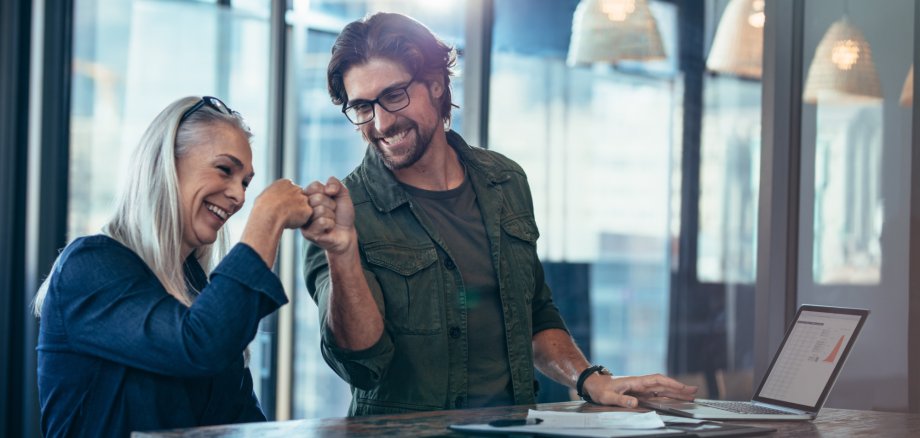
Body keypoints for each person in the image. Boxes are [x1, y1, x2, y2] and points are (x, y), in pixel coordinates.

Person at [301, 12, 697, 416]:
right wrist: (342, 253)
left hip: (513, 426)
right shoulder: (342, 216)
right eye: (363, 107)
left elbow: (534, 313)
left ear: (436, 84)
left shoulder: (505, 181)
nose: (381, 122)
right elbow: (359, 363)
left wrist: (587, 378)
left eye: (394, 95)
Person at [34, 96, 313, 437]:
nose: (239, 197)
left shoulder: (200, 293)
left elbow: (244, 423)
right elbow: (198, 345)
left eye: (245, 183)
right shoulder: (89, 266)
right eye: (225, 169)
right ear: (165, 163)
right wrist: (267, 219)